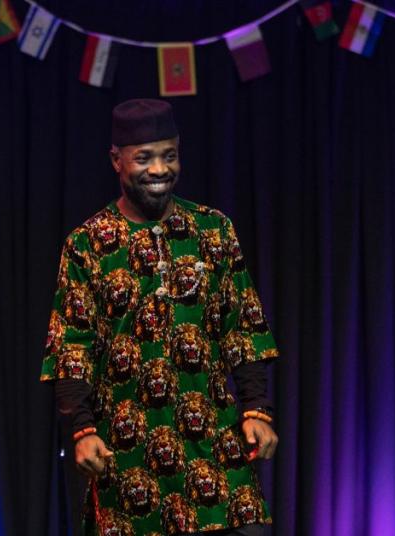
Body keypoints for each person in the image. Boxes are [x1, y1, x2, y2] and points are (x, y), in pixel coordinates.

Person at [41, 99, 278, 535]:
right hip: (128, 456)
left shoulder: (213, 229)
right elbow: (72, 348)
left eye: (169, 155)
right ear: (116, 160)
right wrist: (82, 429)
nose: (159, 169)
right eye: (144, 158)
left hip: (214, 445)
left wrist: (257, 410)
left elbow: (243, 326)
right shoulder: (87, 244)